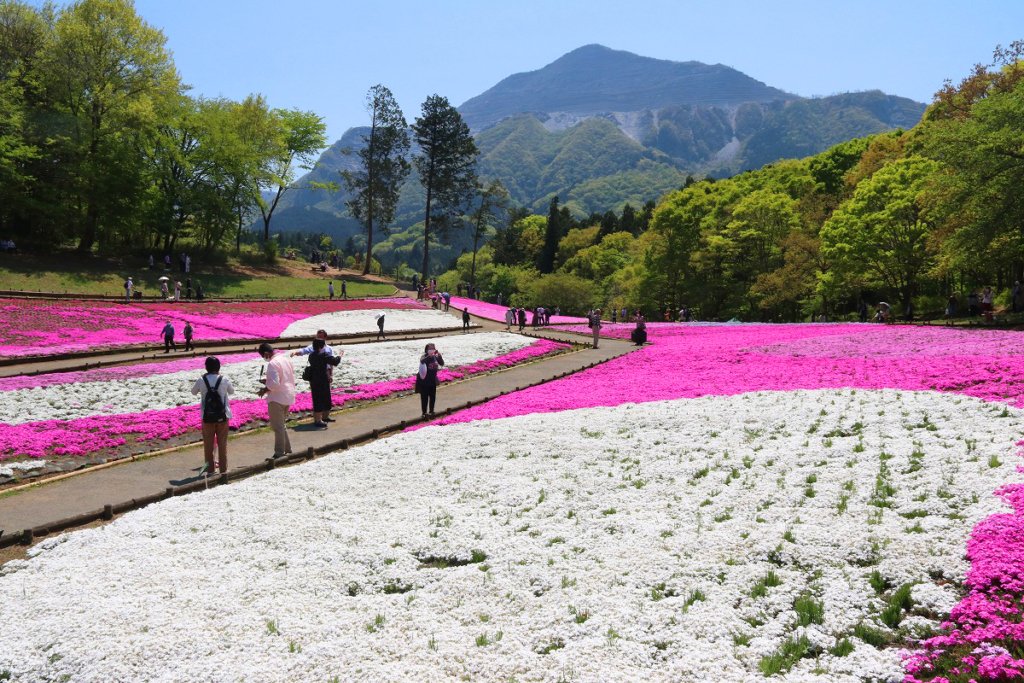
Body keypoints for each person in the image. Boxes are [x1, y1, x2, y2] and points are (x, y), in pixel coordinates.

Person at [191, 356, 233, 475]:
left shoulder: (201, 379)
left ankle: (210, 471)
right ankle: (224, 470)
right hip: (223, 416)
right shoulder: (224, 379)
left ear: (206, 367)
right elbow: (231, 391)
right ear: (218, 367)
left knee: (208, 445)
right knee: (222, 444)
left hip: (207, 417)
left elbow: (193, 392)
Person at [258, 342, 295, 458]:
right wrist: (268, 381)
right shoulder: (285, 359)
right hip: (288, 395)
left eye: (263, 356)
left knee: (278, 427)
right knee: (282, 425)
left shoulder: (273, 363)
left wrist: (264, 389)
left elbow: (274, 383)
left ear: (266, 353)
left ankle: (279, 452)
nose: (264, 358)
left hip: (277, 398)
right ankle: (287, 449)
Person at [307, 338, 340, 428]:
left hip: (313, 379)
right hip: (322, 379)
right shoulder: (323, 355)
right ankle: (319, 420)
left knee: (316, 398)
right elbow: (335, 361)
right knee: (323, 398)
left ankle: (319, 418)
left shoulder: (311, 355)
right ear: (321, 346)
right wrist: (340, 355)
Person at [415, 343, 445, 416]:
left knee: (432, 397)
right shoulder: (424, 356)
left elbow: (441, 363)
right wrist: (429, 356)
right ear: (426, 350)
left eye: (433, 348)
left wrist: (440, 357)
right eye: (430, 348)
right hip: (424, 381)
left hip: (432, 381)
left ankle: (432, 411)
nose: (432, 349)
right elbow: (422, 361)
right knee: (424, 398)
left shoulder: (435, 357)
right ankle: (424, 412)